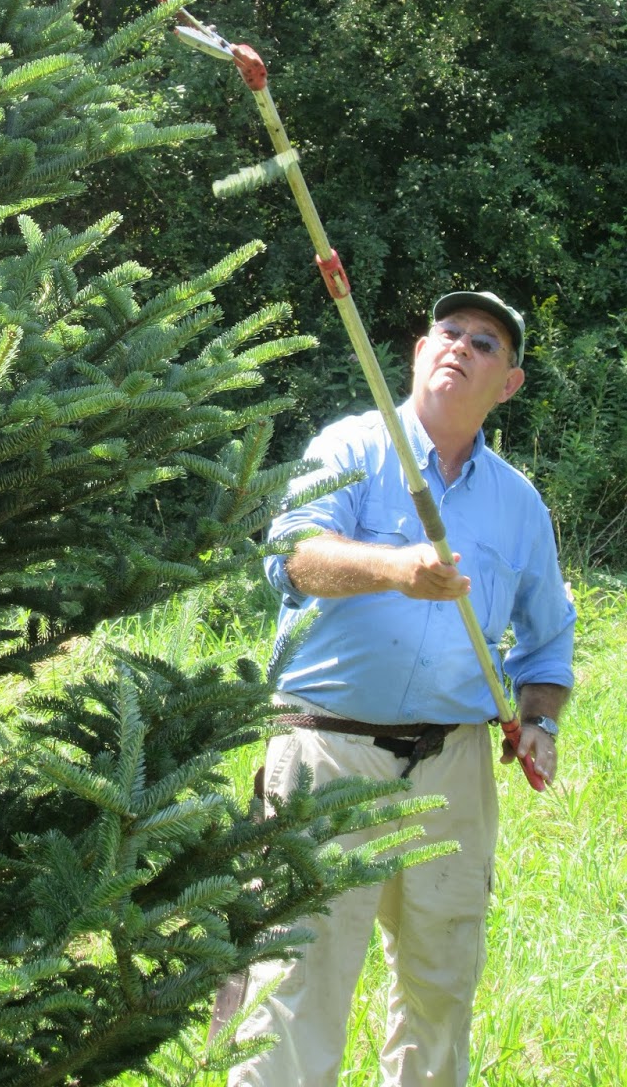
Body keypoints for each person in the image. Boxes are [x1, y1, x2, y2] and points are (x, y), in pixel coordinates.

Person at [224, 290, 575, 1087]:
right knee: (297, 974)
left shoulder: (519, 505)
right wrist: (396, 568)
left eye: (484, 343)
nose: (460, 346)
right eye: (447, 333)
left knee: (441, 982)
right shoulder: (351, 447)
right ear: (419, 352)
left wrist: (538, 723)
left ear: (509, 384)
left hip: (455, 766)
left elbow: (548, 646)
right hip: (327, 750)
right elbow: (295, 558)